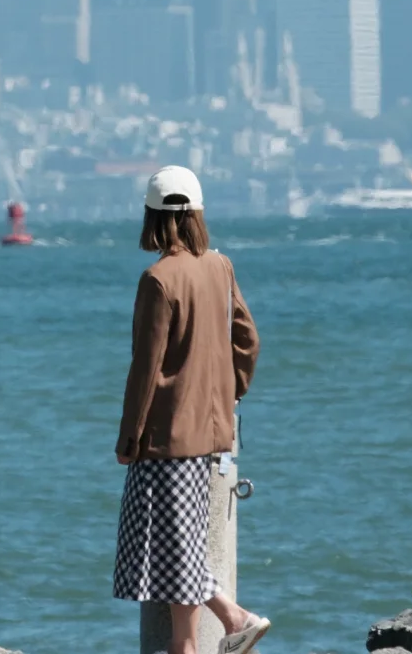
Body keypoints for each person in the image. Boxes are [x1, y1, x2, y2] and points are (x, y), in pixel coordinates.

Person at [113, 165, 269, 654]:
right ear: (197, 215)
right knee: (177, 554)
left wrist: (127, 439)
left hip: (165, 440)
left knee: (171, 555)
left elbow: (146, 368)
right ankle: (226, 619)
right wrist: (230, 392)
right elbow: (248, 340)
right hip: (210, 437)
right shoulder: (220, 268)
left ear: (151, 217)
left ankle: (232, 617)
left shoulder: (158, 279)